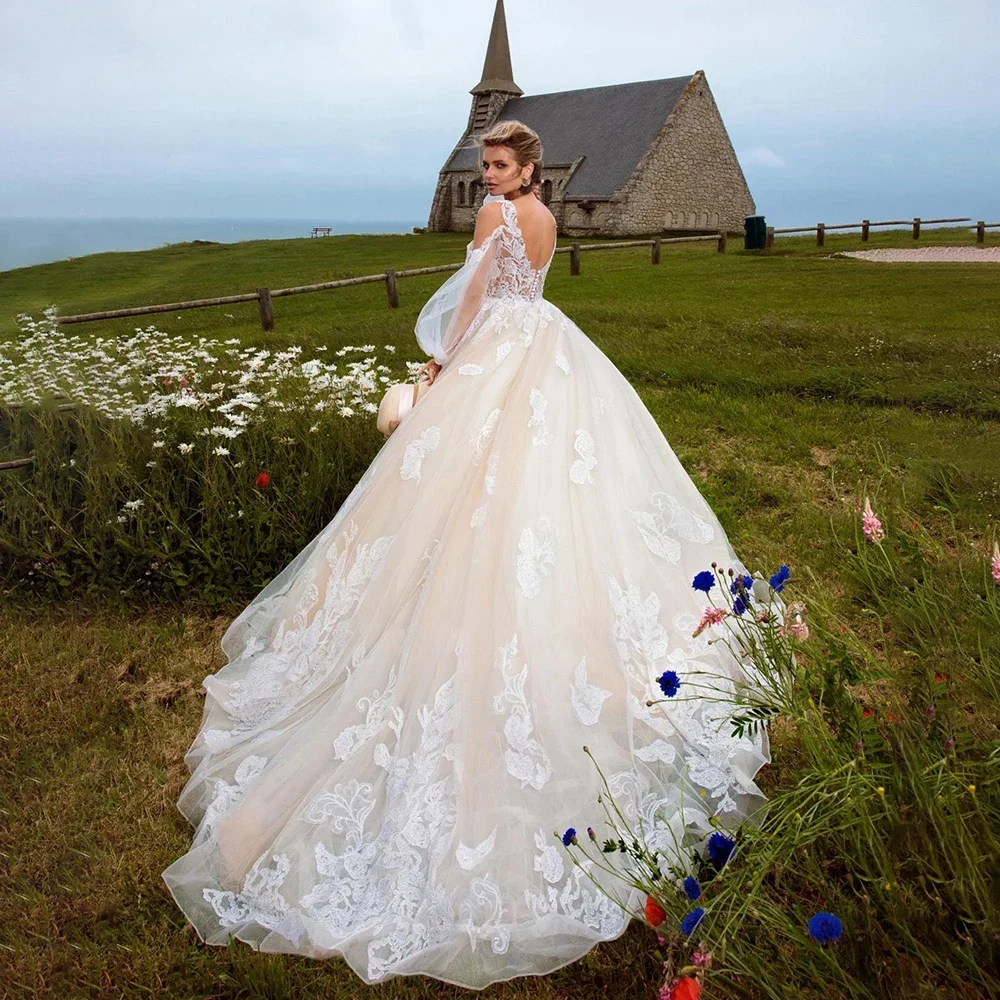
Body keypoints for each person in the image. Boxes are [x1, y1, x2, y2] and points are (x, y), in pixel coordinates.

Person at [161, 119, 770, 990]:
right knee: (556, 499)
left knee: (468, 501)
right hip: (547, 353)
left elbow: (468, 303)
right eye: (486, 165)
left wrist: (439, 368)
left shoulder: (493, 217)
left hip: (497, 359)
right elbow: (525, 290)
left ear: (524, 170)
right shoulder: (550, 221)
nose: (487, 175)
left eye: (498, 165)